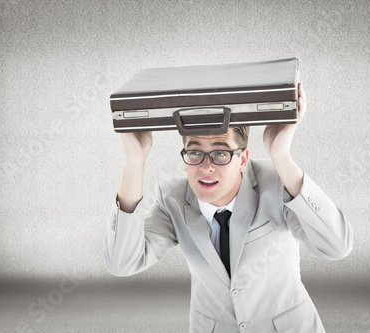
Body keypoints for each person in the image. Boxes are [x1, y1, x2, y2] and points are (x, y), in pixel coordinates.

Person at [104, 83, 353, 332]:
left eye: (220, 153)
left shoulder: (277, 182)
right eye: (194, 152)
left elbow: (337, 246)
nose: (205, 167)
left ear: (243, 159)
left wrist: (281, 155)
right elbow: (122, 263)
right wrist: (135, 159)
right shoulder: (173, 199)